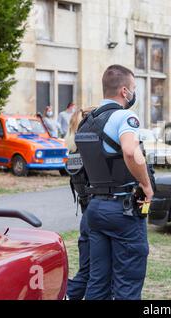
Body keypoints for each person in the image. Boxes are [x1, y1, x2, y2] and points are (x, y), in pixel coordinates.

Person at [75, 65, 154, 300]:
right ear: (124, 91)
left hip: (95, 208)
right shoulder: (124, 117)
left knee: (98, 281)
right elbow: (131, 152)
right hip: (122, 208)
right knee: (127, 283)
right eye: (134, 89)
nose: (134, 93)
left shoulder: (87, 120)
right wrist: (147, 186)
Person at [65, 106, 95, 300]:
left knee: (87, 270)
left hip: (87, 217)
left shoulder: (74, 154)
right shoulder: (90, 155)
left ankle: (66, 293)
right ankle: (64, 293)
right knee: (94, 274)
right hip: (95, 218)